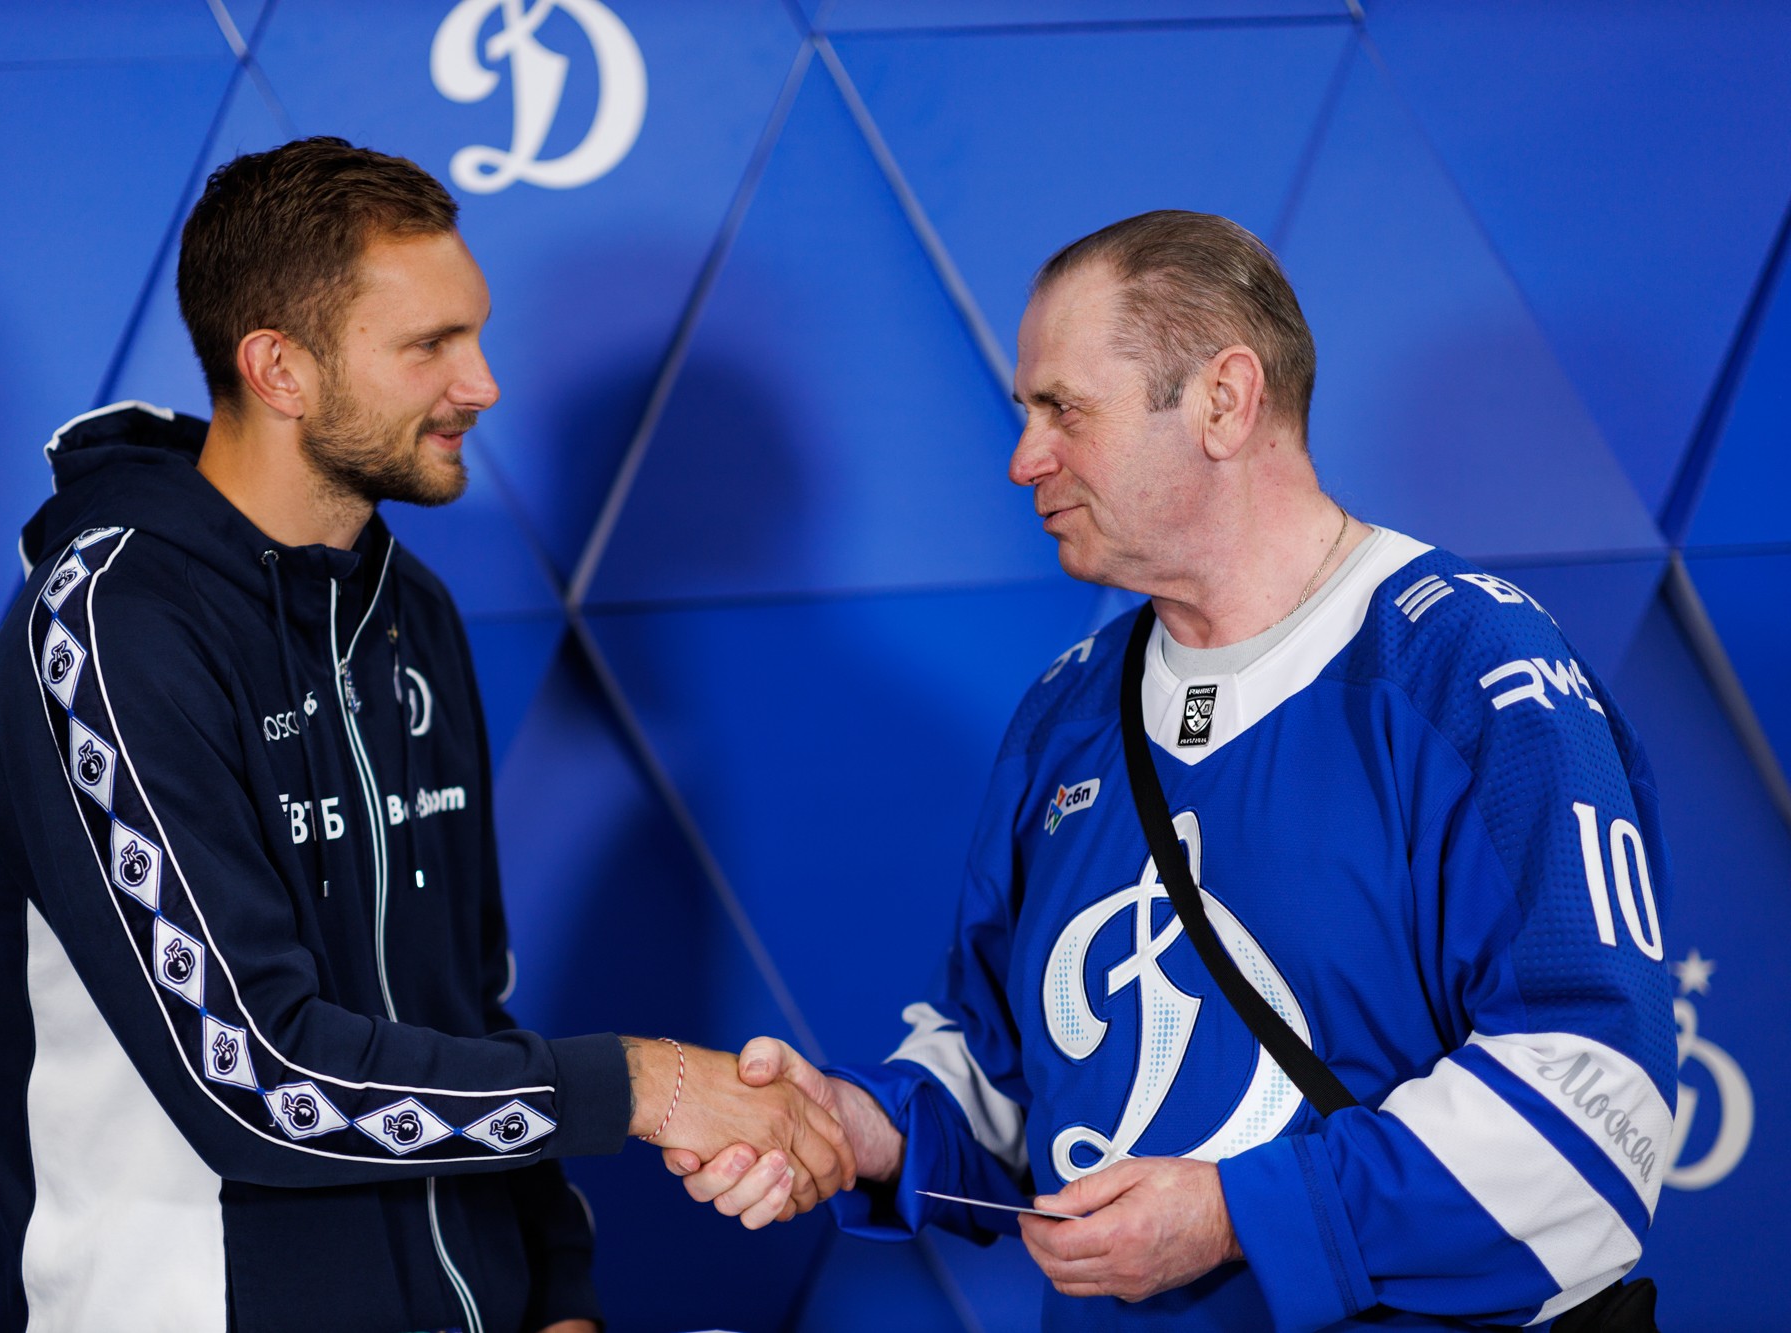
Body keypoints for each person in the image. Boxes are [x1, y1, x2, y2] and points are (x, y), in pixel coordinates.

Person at [669, 211, 1677, 1329]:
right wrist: (858, 1125)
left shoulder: (1464, 667)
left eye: (1063, 410)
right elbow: (1011, 1070)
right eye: (1025, 413)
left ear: (1223, 401)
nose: (1023, 460)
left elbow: (1595, 1105)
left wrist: (1238, 1214)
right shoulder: (1065, 708)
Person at [0, 136, 851, 1333]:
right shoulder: (111, 625)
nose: (482, 383)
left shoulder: (408, 612)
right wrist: (645, 1083)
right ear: (279, 367)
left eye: (475, 334)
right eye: (430, 345)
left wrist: (552, 1288)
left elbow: (466, 1006)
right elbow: (253, 1077)